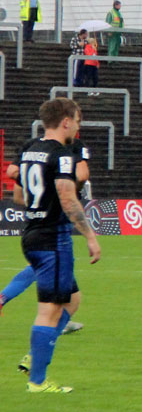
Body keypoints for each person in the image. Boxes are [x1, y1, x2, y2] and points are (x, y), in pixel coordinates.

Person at [9, 98, 101, 393]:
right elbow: (67, 195)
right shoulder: (61, 154)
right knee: (49, 310)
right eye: (76, 120)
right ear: (65, 121)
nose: (77, 126)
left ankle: (35, 358)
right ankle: (37, 380)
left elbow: (19, 198)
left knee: (72, 300)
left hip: (32, 233)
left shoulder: (30, 150)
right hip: (53, 238)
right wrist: (89, 235)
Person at [2, 134, 91, 336]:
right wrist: (60, 183)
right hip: (56, 222)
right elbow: (83, 175)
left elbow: (14, 180)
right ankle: (50, 328)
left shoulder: (32, 146)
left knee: (51, 276)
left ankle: (57, 321)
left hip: (35, 221)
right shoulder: (71, 147)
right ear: (67, 122)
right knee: (50, 270)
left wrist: (40, 193)